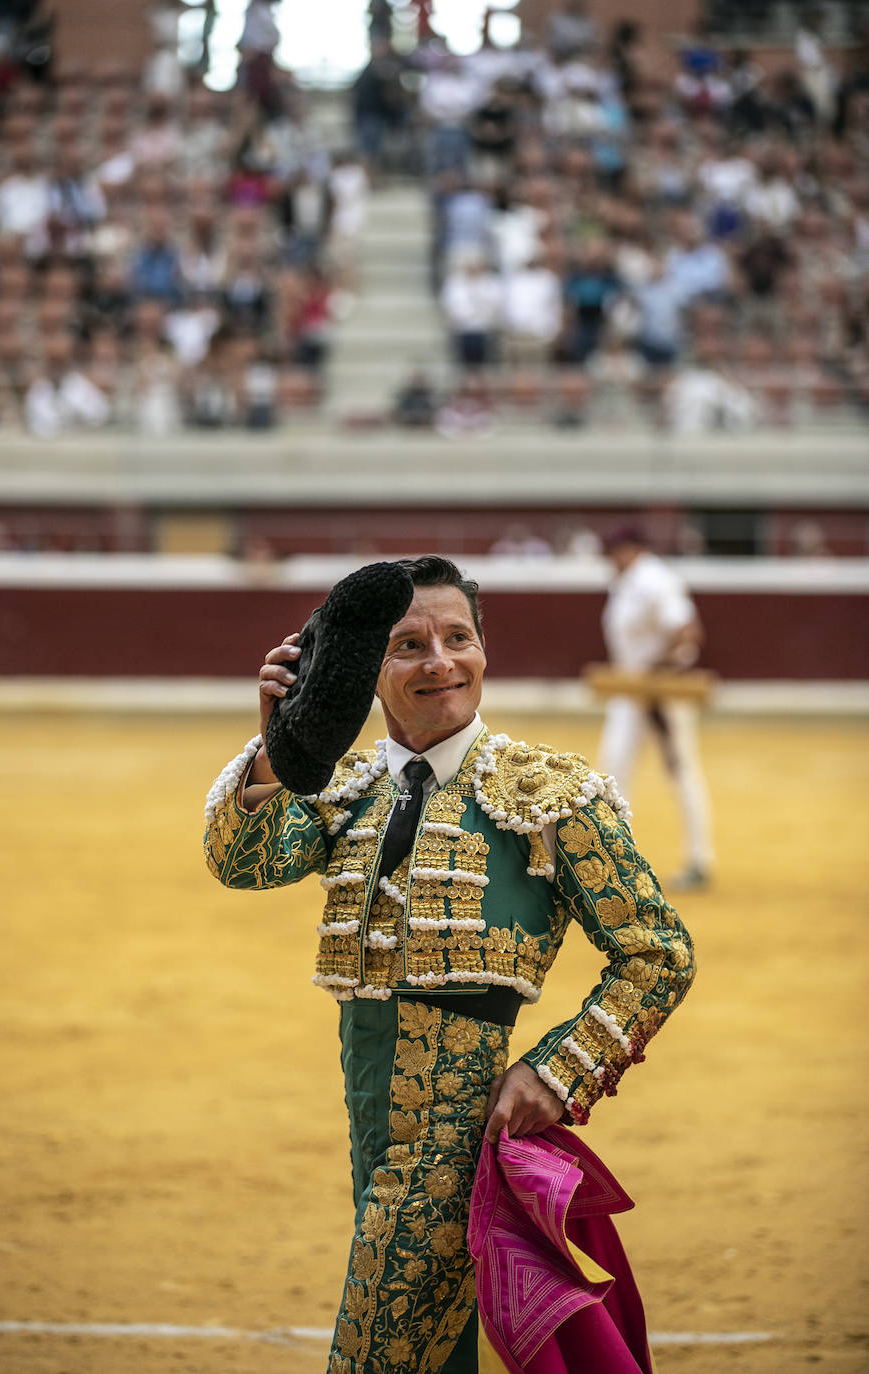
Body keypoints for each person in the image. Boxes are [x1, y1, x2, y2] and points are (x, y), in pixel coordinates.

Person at [204, 555, 695, 1372]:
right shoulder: (348, 785)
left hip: (457, 1130)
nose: (440, 661)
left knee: (378, 1359)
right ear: (368, 669)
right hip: (367, 1112)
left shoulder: (549, 793)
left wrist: (555, 1073)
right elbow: (243, 861)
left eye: (457, 637)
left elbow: (658, 952)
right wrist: (279, 744)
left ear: (483, 652)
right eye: (408, 645)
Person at [599, 528, 714, 889]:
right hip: (630, 691)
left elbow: (688, 633)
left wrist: (657, 673)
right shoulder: (631, 581)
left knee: (680, 772)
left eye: (613, 552)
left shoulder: (653, 580)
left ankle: (699, 860)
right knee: (612, 771)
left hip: (661, 693)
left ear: (629, 550)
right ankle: (617, 859)